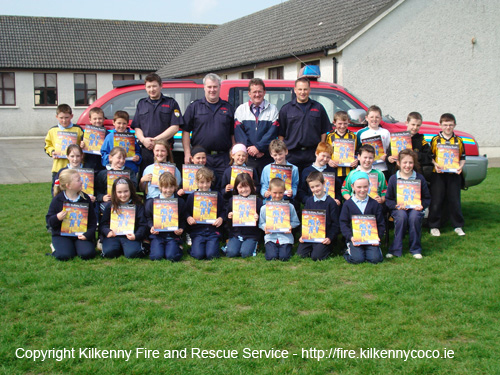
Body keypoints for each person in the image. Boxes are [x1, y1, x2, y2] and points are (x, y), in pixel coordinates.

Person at [182, 73, 235, 179]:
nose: (212, 90)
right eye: (209, 87)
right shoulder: (194, 107)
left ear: (220, 87)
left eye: (215, 86)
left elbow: (232, 133)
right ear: (204, 87)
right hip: (201, 158)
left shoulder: (228, 108)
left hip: (223, 158)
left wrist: (233, 153)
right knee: (200, 188)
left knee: (223, 188)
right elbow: (186, 131)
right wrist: (187, 153)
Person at [131, 73, 183, 174]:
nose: (152, 89)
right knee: (147, 178)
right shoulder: (141, 104)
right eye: (149, 87)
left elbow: (175, 127)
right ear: (145, 88)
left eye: (154, 86)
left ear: (161, 86)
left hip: (164, 150)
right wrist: (143, 140)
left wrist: (156, 141)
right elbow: (137, 126)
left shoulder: (171, 103)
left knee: (166, 178)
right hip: (146, 149)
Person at [385, 149, 431, 259]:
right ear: (399, 163)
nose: (407, 165)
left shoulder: (419, 178)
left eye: (410, 163)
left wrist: (422, 205)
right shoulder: (393, 179)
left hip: (415, 208)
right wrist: (395, 206)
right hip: (399, 208)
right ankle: (395, 249)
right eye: (405, 162)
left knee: (414, 217)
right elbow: (388, 199)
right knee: (401, 217)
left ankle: (415, 249)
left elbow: (426, 197)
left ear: (414, 164)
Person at [278, 77, 330, 171]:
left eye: (305, 89)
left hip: (312, 154)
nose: (303, 92)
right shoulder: (286, 109)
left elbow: (324, 130)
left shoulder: (318, 107)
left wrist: (321, 149)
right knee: (292, 184)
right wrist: (283, 152)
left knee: (312, 184)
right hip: (292, 154)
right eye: (300, 89)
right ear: (295, 90)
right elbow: (281, 133)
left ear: (309, 90)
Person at [428, 113, 466, 237]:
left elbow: (462, 157)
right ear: (440, 125)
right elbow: (431, 157)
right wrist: (435, 165)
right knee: (437, 200)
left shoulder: (459, 140)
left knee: (454, 199)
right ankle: (434, 226)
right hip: (438, 174)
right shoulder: (435, 140)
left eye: (450, 125)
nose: (448, 127)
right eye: (445, 125)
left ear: (454, 125)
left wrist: (460, 166)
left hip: (454, 174)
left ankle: (458, 225)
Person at [46, 169, 97, 261]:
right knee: (65, 255)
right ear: (68, 186)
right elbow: (49, 221)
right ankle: (55, 247)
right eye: (78, 180)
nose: (81, 182)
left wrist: (88, 234)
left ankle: (77, 246)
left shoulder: (85, 198)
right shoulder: (57, 200)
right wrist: (57, 217)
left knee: (87, 254)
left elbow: (93, 221)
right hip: (62, 235)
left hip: (81, 234)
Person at [234, 78, 279, 175]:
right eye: (254, 92)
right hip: (247, 158)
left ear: (264, 92)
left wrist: (258, 148)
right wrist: (252, 150)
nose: (257, 94)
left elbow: (272, 132)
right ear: (249, 93)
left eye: (260, 91)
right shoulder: (241, 110)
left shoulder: (273, 109)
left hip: (266, 156)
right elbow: (239, 133)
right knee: (248, 187)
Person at [339, 172, 385, 264]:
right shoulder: (348, 204)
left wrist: (378, 237)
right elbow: (343, 223)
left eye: (365, 187)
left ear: (369, 186)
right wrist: (350, 237)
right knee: (358, 259)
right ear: (352, 187)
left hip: (371, 238)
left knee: (375, 259)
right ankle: (348, 250)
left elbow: (380, 223)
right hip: (355, 239)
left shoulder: (374, 204)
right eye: (359, 187)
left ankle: (375, 250)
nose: (362, 190)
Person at [100, 177, 148, 258]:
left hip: (130, 235)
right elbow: (103, 224)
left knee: (132, 254)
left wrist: (136, 236)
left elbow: (143, 224)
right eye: (119, 192)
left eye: (126, 191)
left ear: (131, 190)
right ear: (115, 192)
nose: (123, 195)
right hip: (114, 235)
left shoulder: (138, 205)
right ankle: (117, 247)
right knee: (109, 253)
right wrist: (107, 231)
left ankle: (130, 247)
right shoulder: (110, 206)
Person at [297, 171, 340, 261]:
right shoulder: (309, 201)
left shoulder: (331, 202)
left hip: (325, 236)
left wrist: (330, 238)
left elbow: (336, 224)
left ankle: (327, 248)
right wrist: (302, 235)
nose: (315, 189)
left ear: (323, 184)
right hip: (310, 235)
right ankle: (313, 247)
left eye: (317, 186)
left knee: (316, 257)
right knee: (300, 255)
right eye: (312, 187)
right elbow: (304, 221)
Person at [145, 172, 185, 261]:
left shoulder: (180, 202)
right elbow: (148, 218)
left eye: (171, 187)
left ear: (175, 187)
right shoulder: (152, 202)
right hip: (157, 235)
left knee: (172, 257)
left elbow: (182, 219)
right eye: (165, 187)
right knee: (156, 257)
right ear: (160, 187)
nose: (168, 190)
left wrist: (181, 228)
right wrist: (151, 226)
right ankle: (154, 246)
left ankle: (178, 246)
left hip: (172, 235)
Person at [185, 167, 224, 260]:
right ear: (197, 183)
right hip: (198, 231)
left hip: (212, 231)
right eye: (202, 182)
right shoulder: (192, 197)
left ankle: (213, 246)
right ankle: (193, 248)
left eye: (208, 182)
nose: (205, 185)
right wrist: (188, 217)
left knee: (211, 255)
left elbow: (223, 210)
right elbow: (186, 212)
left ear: (211, 182)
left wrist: (221, 218)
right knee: (198, 255)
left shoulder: (217, 195)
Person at [258, 178, 300, 261]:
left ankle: (286, 248)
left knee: (284, 257)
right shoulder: (264, 208)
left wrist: (290, 226)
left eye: (280, 192)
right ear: (269, 191)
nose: (277, 195)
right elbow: (261, 223)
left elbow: (296, 222)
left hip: (286, 237)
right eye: (275, 193)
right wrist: (265, 227)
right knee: (271, 257)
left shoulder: (290, 206)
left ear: (284, 191)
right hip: (270, 237)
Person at [225, 173, 263, 258]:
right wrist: (229, 217)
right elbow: (228, 223)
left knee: (245, 254)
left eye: (246, 186)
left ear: (251, 186)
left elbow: (263, 221)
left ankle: (255, 245)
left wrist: (258, 218)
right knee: (231, 253)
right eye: (240, 187)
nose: (244, 190)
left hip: (251, 235)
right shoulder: (232, 201)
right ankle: (230, 245)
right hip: (236, 234)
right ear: (236, 188)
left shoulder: (257, 201)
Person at [44, 104, 84, 182]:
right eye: (61, 118)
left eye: (66, 117)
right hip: (58, 167)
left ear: (71, 116)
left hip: (75, 167)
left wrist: (82, 145)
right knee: (58, 190)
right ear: (57, 117)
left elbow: (83, 146)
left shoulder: (78, 129)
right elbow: (47, 146)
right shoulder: (52, 130)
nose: (64, 120)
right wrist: (52, 151)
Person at [387, 112, 433, 179]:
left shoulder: (421, 140)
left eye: (418, 125)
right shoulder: (396, 138)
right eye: (413, 124)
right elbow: (388, 155)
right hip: (398, 175)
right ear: (407, 123)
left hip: (415, 176)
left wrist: (416, 155)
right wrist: (389, 159)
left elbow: (428, 158)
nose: (415, 127)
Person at [101, 111, 141, 175]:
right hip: (114, 170)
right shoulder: (109, 137)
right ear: (113, 123)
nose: (121, 126)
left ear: (128, 123)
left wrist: (138, 158)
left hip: (130, 169)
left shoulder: (131, 137)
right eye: (119, 123)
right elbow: (103, 153)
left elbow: (137, 151)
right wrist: (109, 158)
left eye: (124, 123)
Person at [260, 139, 299, 204]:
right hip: (270, 201)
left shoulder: (294, 169)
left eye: (280, 154)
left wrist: (292, 193)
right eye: (275, 155)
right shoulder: (267, 169)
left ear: (286, 151)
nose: (278, 157)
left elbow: (294, 185)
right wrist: (264, 193)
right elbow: (264, 185)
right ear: (271, 154)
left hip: (286, 201)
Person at [356, 105, 391, 174]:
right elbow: (357, 151)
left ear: (381, 118)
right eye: (371, 117)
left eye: (377, 117)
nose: (374, 119)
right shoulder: (360, 133)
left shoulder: (385, 132)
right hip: (366, 169)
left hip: (382, 168)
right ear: (366, 118)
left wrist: (386, 155)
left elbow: (389, 150)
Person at [327, 110, 358, 185]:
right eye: (340, 124)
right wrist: (329, 161)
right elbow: (327, 153)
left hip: (349, 171)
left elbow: (356, 152)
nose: (342, 126)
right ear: (334, 123)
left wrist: (356, 160)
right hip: (334, 170)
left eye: (345, 123)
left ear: (349, 122)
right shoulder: (330, 136)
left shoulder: (353, 136)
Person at [81, 107, 107, 173]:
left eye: (100, 118)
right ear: (90, 120)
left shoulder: (108, 135)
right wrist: (81, 147)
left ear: (104, 119)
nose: (97, 121)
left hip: (103, 168)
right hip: (88, 166)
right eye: (95, 119)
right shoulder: (85, 135)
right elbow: (80, 154)